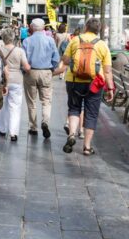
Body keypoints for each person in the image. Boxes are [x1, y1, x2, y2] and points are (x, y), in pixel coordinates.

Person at [53, 18, 114, 155]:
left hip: (74, 80)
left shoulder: (75, 40)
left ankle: (71, 135)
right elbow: (108, 70)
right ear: (98, 30)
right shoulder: (102, 45)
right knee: (91, 114)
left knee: (74, 108)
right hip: (95, 83)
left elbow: (66, 60)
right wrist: (110, 88)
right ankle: (87, 147)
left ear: (86, 27)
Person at [23, 18, 60, 138]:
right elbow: (56, 58)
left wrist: (24, 70)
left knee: (31, 101)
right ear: (44, 27)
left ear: (32, 28)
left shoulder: (27, 41)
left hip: (31, 72)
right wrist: (51, 69)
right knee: (46, 101)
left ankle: (33, 127)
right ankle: (45, 122)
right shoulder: (50, 40)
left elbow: (23, 60)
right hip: (46, 72)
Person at [0, 29, 31, 141]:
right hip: (16, 80)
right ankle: (13, 133)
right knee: (15, 107)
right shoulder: (19, 51)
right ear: (13, 38)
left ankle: (2, 129)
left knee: (2, 106)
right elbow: (26, 67)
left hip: (1, 81)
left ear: (3, 38)